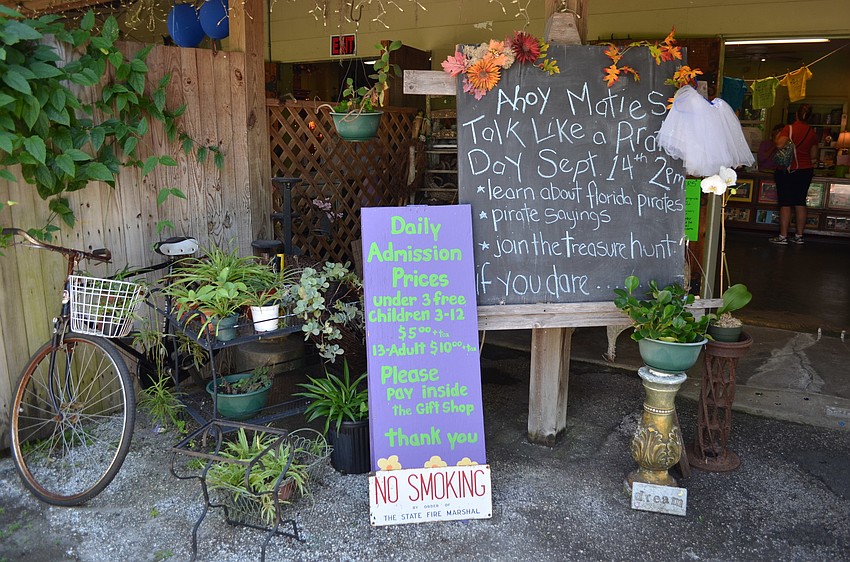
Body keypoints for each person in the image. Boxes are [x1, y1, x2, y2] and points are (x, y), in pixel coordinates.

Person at [769, 104, 818, 245]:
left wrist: (777, 137)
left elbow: (779, 145)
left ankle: (783, 236)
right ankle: (799, 236)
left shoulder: (789, 128)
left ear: (796, 115)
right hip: (805, 170)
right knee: (800, 202)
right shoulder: (812, 132)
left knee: (785, 203)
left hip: (788, 170)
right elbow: (814, 155)